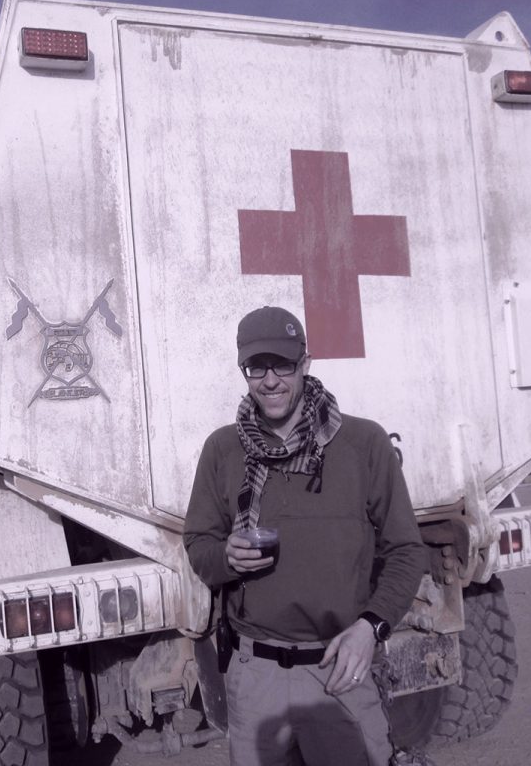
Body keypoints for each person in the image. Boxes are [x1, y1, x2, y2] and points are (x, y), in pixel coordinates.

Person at [184, 305, 429, 766]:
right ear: (244, 371)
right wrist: (226, 557)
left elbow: (405, 550)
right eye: (257, 366)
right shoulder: (223, 449)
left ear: (306, 364)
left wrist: (371, 628)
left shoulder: (363, 444)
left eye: (284, 364)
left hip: (339, 667)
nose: (270, 380)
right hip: (255, 675)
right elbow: (198, 543)